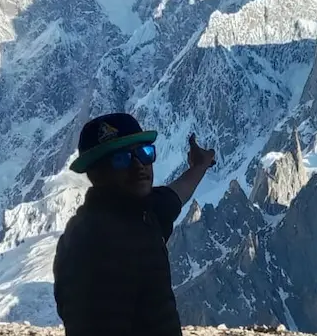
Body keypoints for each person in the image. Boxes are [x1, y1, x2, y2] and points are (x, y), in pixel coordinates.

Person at [53, 113, 216, 336]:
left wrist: (199, 166)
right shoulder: (88, 241)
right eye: (122, 159)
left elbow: (174, 195)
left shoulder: (142, 213)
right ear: (97, 173)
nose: (139, 165)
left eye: (145, 153)